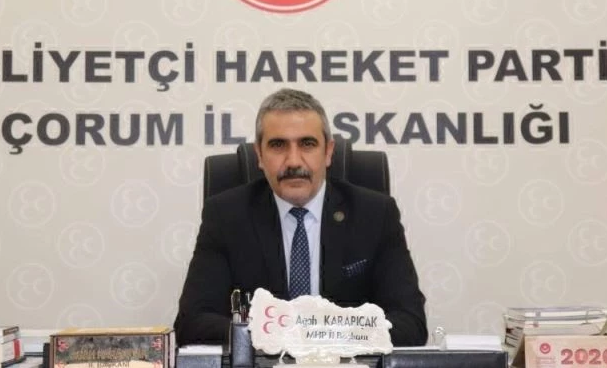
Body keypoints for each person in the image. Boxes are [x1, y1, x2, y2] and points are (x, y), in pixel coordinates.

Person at [174, 88, 428, 346]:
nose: (293, 161)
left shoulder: (375, 214)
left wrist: (322, 335)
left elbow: (410, 323)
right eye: (278, 145)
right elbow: (192, 322)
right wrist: (279, 334)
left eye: (307, 144)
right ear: (259, 155)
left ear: (328, 152)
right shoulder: (226, 216)